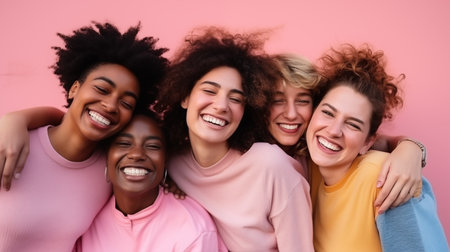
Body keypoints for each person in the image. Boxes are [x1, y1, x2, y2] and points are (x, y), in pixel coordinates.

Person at [0, 22, 168, 251]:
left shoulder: (110, 170)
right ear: (74, 89)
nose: (110, 105)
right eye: (101, 89)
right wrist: (14, 120)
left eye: (126, 102)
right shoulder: (12, 144)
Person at [154, 27, 314, 251]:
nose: (221, 106)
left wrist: (381, 147)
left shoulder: (272, 166)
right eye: (210, 91)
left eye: (235, 98)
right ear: (184, 97)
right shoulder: (170, 162)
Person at [305, 44, 448, 252]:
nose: (334, 130)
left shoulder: (384, 179)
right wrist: (411, 145)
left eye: (353, 124)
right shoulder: (306, 168)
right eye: (328, 113)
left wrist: (413, 149)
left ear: (368, 142)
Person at [266, 53, 425, 213]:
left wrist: (412, 150)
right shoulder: (254, 157)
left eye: (303, 101)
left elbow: (376, 141)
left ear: (314, 108)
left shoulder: (317, 149)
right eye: (277, 101)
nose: (292, 114)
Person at [74, 109, 227, 251]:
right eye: (124, 143)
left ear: (165, 160)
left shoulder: (194, 229)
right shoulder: (88, 219)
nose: (137, 154)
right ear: (107, 157)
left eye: (152, 146)